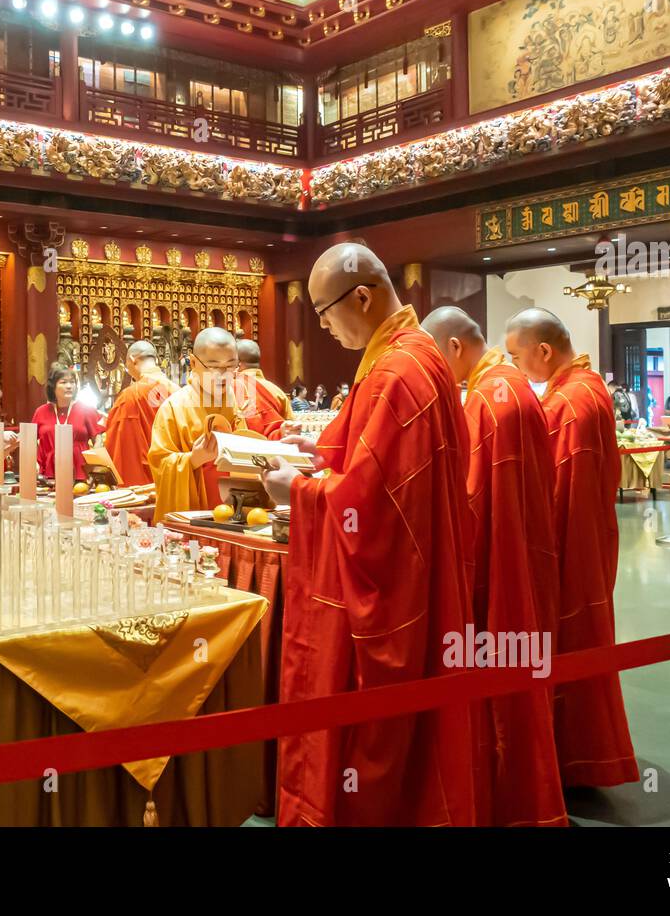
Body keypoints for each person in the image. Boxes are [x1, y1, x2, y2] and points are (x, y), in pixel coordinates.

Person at [260, 243, 477, 827]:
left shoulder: (396, 370)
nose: (325, 329)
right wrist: (320, 449)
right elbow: (374, 453)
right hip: (431, 568)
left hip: (398, 585)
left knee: (379, 734)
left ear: (362, 296)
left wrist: (298, 493)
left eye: (327, 314)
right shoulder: (415, 353)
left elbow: (378, 502)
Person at [421, 305, 567, 827]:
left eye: (435, 358)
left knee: (500, 680)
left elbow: (469, 497)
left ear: (455, 348)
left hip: (498, 564)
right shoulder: (516, 386)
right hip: (528, 553)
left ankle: (505, 796)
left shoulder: (487, 399)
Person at [504, 308, 640, 789]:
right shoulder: (585, 385)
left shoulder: (570, 403)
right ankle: (575, 756)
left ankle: (573, 759)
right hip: (592, 538)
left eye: (517, 357)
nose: (517, 369)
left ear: (543, 351)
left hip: (571, 545)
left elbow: (555, 492)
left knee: (572, 644)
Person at [148, 327, 250, 524]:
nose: (223, 375)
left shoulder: (237, 401)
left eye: (231, 366)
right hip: (195, 513)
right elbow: (160, 465)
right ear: (193, 362)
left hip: (236, 514)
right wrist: (193, 460)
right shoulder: (173, 407)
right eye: (213, 366)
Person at [103, 340, 178, 485]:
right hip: (172, 474)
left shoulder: (130, 396)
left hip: (141, 478)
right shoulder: (177, 390)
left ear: (132, 360)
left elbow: (118, 443)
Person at [32, 365, 105, 483]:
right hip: (49, 471)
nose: (69, 386)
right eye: (64, 382)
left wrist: (94, 465)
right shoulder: (41, 411)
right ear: (53, 386)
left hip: (80, 471)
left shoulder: (86, 409)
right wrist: (33, 462)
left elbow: (98, 439)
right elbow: (30, 441)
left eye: (72, 382)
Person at [236, 338, 296, 439]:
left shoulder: (232, 388)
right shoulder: (277, 391)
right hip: (275, 451)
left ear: (238, 363)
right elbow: (290, 426)